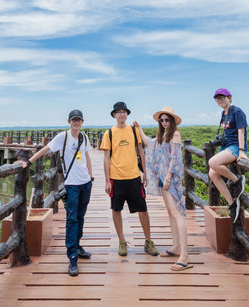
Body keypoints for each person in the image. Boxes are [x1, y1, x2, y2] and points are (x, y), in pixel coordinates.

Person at [22, 109, 94, 277]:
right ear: (68, 121)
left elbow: (87, 156)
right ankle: (72, 256)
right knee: (71, 219)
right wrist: (28, 161)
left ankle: (77, 245)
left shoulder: (84, 137)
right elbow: (46, 149)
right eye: (73, 120)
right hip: (72, 185)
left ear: (82, 122)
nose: (76, 123)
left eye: (79, 120)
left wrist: (90, 177)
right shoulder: (63, 137)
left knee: (80, 217)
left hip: (85, 183)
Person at [134, 106, 192, 271]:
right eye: (162, 120)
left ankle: (185, 255)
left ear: (173, 121)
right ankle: (175, 247)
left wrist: (167, 178)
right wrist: (139, 129)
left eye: (167, 119)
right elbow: (148, 143)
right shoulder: (164, 135)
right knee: (170, 212)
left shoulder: (175, 134)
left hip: (170, 179)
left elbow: (175, 158)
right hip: (163, 178)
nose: (164, 122)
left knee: (176, 214)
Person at [101, 101, 159, 257]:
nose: (122, 114)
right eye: (118, 112)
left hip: (134, 176)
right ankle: (121, 241)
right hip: (116, 177)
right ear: (114, 115)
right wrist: (107, 180)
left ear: (127, 114)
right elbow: (106, 158)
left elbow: (141, 152)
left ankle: (148, 241)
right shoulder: (109, 133)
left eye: (124, 112)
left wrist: (145, 172)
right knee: (116, 209)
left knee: (143, 209)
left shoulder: (134, 131)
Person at [207, 88, 248, 223]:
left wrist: (241, 151)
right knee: (213, 174)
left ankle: (237, 180)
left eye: (222, 97)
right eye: (217, 98)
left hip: (236, 147)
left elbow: (241, 132)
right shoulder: (224, 113)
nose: (220, 100)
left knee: (212, 162)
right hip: (226, 147)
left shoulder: (237, 111)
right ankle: (232, 203)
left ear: (229, 98)